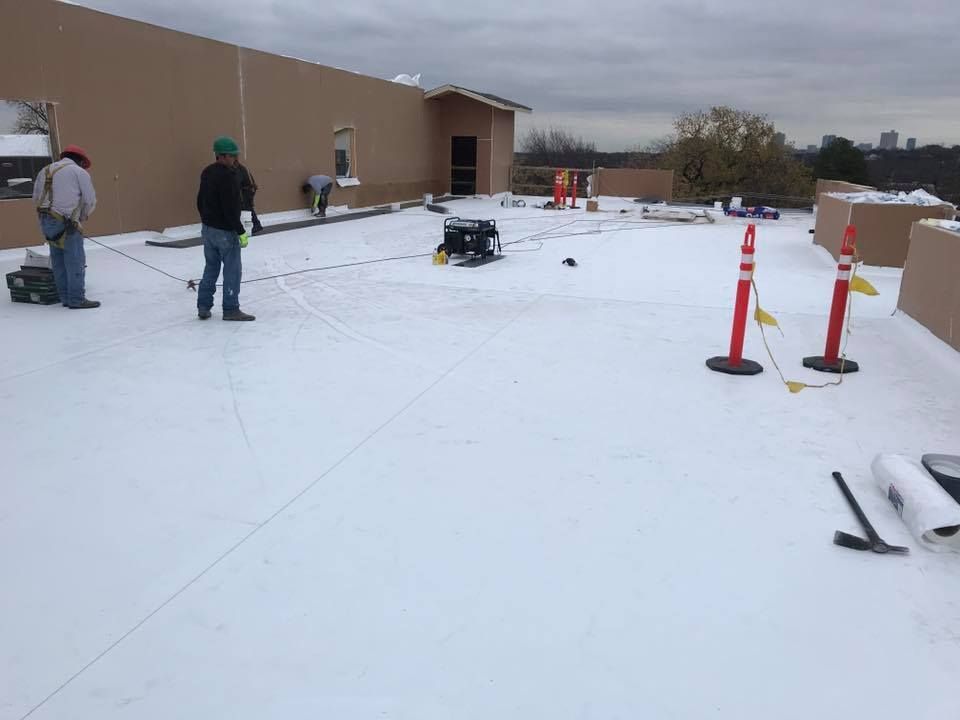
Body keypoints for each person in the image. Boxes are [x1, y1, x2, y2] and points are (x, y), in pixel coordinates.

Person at [32, 144, 99, 309]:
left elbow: (35, 197)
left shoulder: (45, 170)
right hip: (66, 222)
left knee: (58, 261)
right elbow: (89, 199)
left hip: (46, 220)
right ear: (81, 161)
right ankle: (76, 299)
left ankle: (65, 298)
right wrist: (82, 216)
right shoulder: (78, 172)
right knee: (75, 261)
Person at [196, 136, 255, 321]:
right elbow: (231, 208)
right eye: (232, 156)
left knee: (211, 267)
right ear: (221, 156)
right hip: (225, 231)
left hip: (208, 229)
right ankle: (231, 309)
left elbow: (199, 200)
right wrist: (240, 231)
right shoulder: (228, 176)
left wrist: (206, 220)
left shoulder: (207, 172)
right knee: (232, 270)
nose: (235, 160)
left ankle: (203, 306)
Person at [237, 162, 263, 235]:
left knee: (246, 209)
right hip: (247, 192)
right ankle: (255, 224)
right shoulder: (242, 168)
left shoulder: (240, 169)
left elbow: (239, 182)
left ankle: (255, 225)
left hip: (245, 193)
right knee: (248, 209)